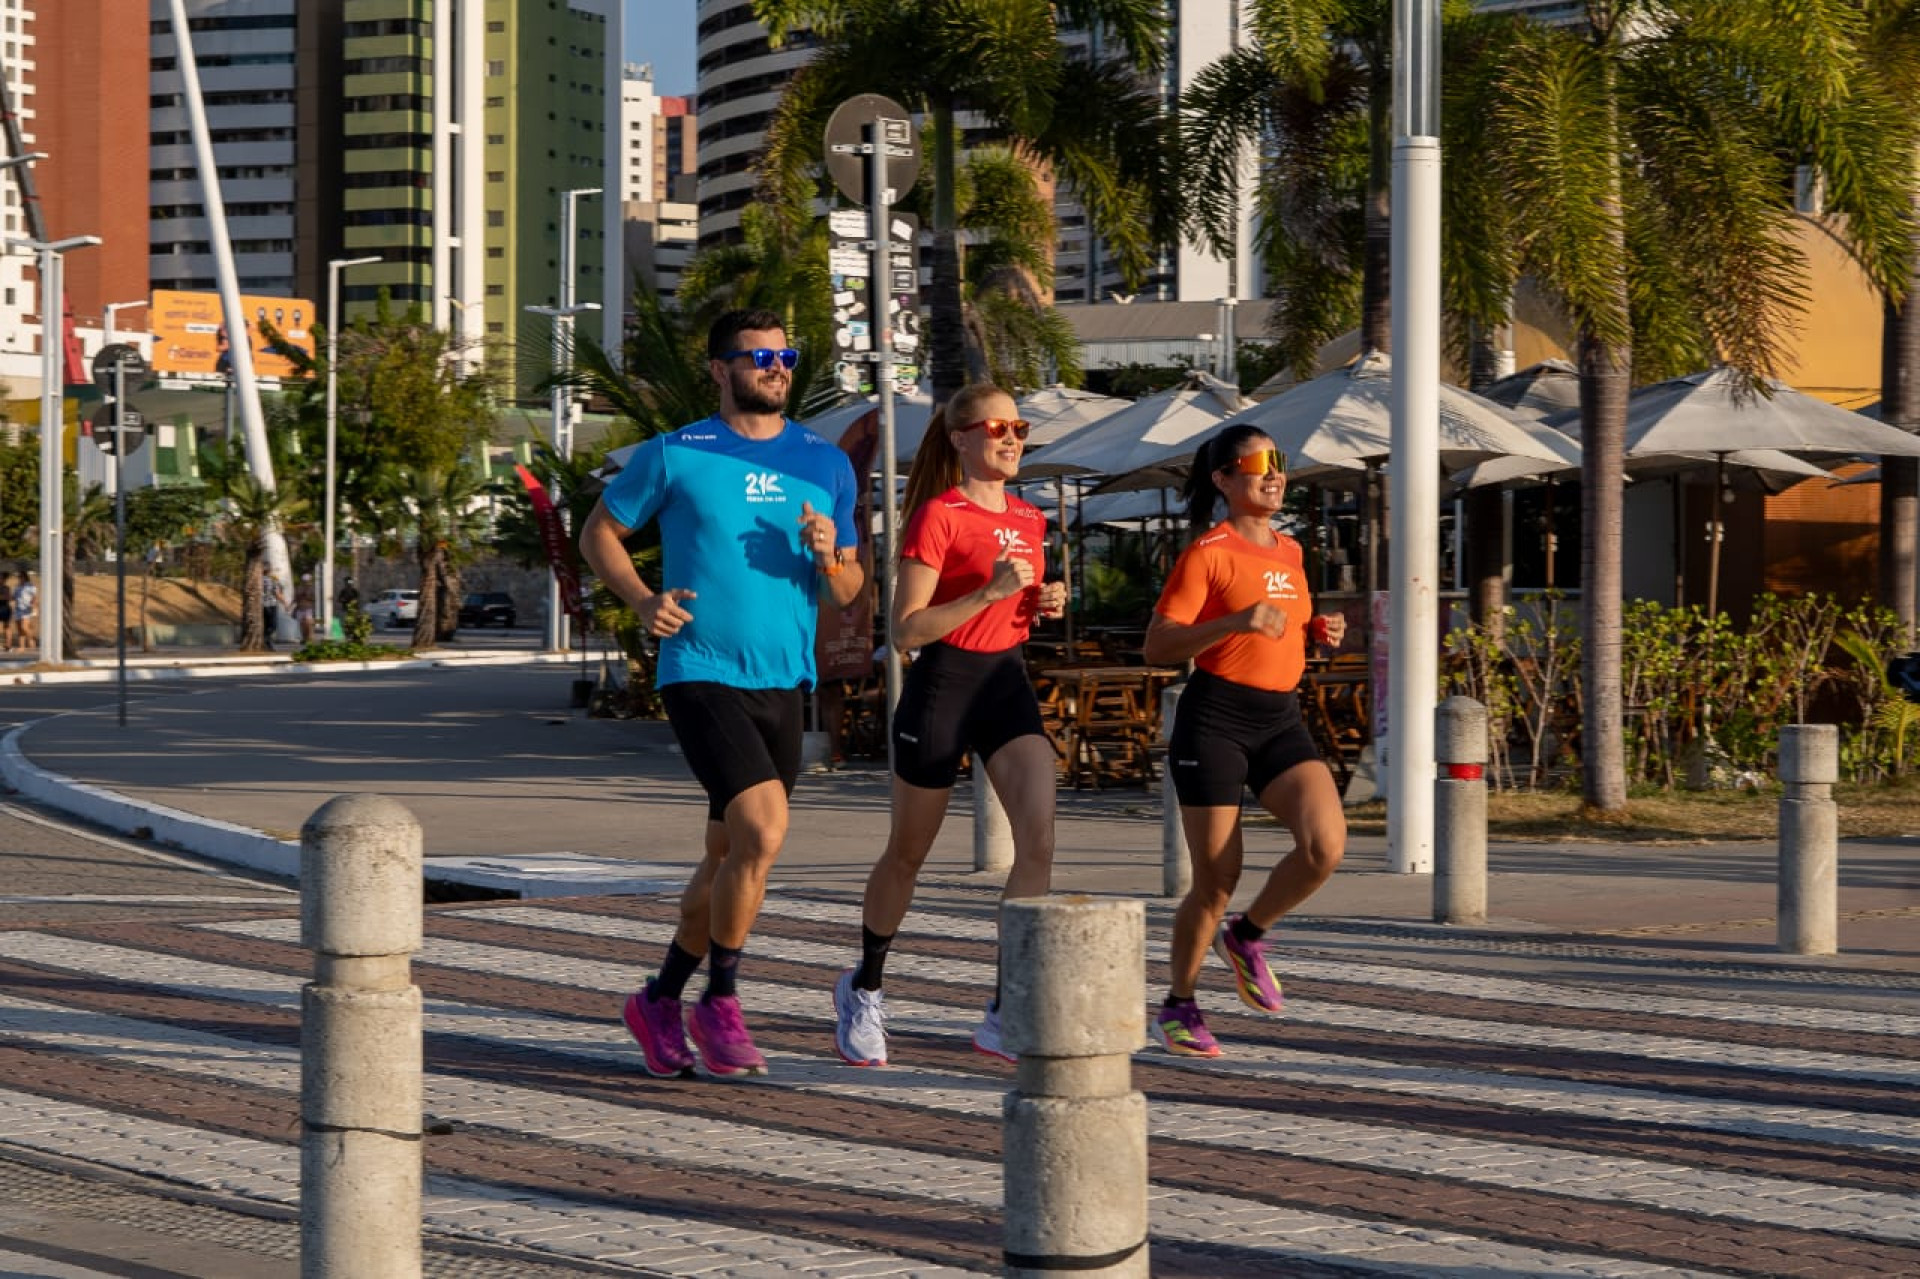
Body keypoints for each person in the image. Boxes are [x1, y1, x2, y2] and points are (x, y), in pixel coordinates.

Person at [579, 308, 865, 1078]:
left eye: (785, 353)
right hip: (699, 669)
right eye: (758, 355)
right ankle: (722, 999)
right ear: (719, 369)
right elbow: (598, 532)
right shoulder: (677, 453)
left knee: (727, 855)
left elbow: (847, 588)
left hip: (783, 679)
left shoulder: (825, 463)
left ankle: (659, 997)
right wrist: (642, 600)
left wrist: (829, 553)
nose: (776, 366)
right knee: (763, 831)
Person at [830, 385, 1067, 1068]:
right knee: (908, 852)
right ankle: (865, 987)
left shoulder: (1029, 517)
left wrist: (1040, 600)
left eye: (1019, 426)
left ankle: (1006, 1003)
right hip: (944, 685)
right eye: (998, 427)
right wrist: (989, 591)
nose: (1012, 437)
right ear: (961, 437)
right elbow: (906, 630)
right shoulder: (940, 514)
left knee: (1040, 843)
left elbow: (1015, 612)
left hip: (1006, 684)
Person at [1142, 424, 1349, 1058]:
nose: (1272, 471)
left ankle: (1248, 935)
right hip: (1216, 719)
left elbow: (1278, 623)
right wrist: (1233, 621)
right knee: (1216, 880)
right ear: (1225, 480)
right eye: (1256, 462)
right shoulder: (1209, 551)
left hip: (1280, 718)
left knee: (1325, 846)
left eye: (1278, 459)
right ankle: (1179, 1003)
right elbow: (1156, 647)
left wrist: (1316, 628)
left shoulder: (1290, 551)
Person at [14, 571, 38, 653]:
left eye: (20, 577)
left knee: (24, 627)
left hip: (27, 609)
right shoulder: (17, 587)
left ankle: (32, 639)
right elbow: (14, 597)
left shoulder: (30, 586)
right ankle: (22, 647)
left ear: (25, 577)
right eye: (18, 577)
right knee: (20, 629)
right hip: (18, 609)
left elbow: (34, 597)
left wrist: (33, 605)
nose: (19, 579)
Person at [262, 570, 285, 650]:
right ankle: (265, 638)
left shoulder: (259, 579)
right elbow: (277, 593)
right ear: (269, 571)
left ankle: (267, 643)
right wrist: (285, 603)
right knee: (273, 625)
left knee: (266, 625)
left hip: (261, 605)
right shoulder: (272, 580)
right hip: (271, 604)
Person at [293, 574, 316, 642]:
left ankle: (310, 637)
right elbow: (295, 598)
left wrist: (307, 596)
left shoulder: (311, 588)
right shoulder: (298, 588)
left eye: (307, 581)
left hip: (308, 608)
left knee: (309, 623)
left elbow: (313, 598)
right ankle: (304, 638)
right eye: (305, 581)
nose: (306, 582)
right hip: (300, 607)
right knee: (302, 624)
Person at [0, 572, 14, 652]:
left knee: (7, 627)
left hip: (5, 609)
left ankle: (8, 645)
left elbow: (7, 597)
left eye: (1, 578)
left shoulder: (6, 588)